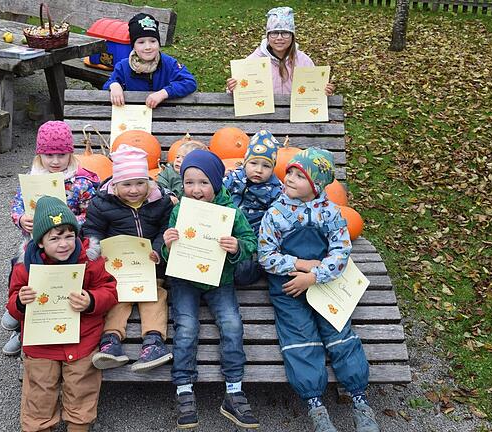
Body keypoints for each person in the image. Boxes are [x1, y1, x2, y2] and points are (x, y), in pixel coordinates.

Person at [258, 148, 379, 432]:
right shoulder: (274, 214)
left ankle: (360, 401)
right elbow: (266, 256)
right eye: (290, 172)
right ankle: (315, 405)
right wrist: (299, 266)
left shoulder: (332, 214)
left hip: (324, 285)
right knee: (300, 339)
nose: (289, 178)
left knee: (339, 334)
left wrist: (313, 276)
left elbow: (340, 253)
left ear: (316, 185)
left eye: (299, 176)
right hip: (288, 287)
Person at [161, 150, 260, 429]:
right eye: (189, 182)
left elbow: (250, 241)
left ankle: (233, 390)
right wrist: (167, 245)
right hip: (184, 279)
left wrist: (237, 247)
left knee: (231, 324)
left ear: (216, 183)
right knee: (187, 327)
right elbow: (167, 251)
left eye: (203, 182)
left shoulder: (231, 212)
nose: (195, 189)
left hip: (220, 278)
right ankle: (184, 389)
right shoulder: (180, 210)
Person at [6, 196, 118, 432]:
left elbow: (109, 290)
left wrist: (91, 300)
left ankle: (78, 425)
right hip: (41, 341)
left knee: (81, 384)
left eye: (69, 235)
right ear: (39, 242)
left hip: (81, 337)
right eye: (54, 238)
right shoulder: (24, 268)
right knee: (40, 387)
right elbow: (12, 304)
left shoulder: (90, 261)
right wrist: (20, 301)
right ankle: (38, 426)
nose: (64, 244)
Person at [3, 121, 99, 356]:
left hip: (69, 240)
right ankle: (22, 320)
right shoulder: (33, 178)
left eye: (61, 154)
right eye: (49, 155)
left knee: (63, 280)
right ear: (40, 155)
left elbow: (92, 212)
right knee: (20, 266)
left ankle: (53, 322)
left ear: (70, 153)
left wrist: (72, 222)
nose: (55, 161)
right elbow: (17, 204)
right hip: (37, 241)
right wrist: (21, 218)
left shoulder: (80, 182)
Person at [82, 144, 175, 372]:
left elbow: (166, 226)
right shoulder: (101, 203)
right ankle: (111, 342)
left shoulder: (160, 201)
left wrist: (158, 247)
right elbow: (93, 231)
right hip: (118, 268)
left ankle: (154, 342)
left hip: (150, 265)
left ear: (148, 181)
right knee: (116, 299)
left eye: (140, 183)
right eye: (127, 184)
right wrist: (99, 253)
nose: (134, 190)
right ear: (115, 184)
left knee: (155, 296)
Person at [226, 7, 335, 96]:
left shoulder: (304, 61)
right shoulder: (253, 61)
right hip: (264, 116)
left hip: (295, 117)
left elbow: (314, 90)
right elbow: (241, 95)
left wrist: (324, 91)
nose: (279, 38)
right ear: (268, 37)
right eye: (274, 33)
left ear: (292, 36)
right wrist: (232, 88)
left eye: (285, 33)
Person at [223, 129, 283, 285]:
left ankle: (259, 266)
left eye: (266, 166)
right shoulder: (234, 177)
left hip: (255, 237)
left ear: (273, 168)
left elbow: (278, 217)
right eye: (253, 163)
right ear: (245, 162)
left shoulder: (276, 191)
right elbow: (217, 192)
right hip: (228, 228)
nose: (259, 170)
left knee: (242, 275)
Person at [104, 13, 197, 108]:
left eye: (153, 41)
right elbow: (109, 83)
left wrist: (164, 93)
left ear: (158, 43)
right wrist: (114, 85)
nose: (148, 47)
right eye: (141, 42)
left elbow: (189, 82)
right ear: (134, 46)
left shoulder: (169, 63)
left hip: (163, 116)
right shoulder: (123, 66)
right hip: (133, 116)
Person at [156, 139, 208, 204]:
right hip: (169, 206)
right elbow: (159, 186)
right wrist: (169, 196)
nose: (178, 160)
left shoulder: (200, 177)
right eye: (177, 157)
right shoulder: (167, 172)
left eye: (184, 158)